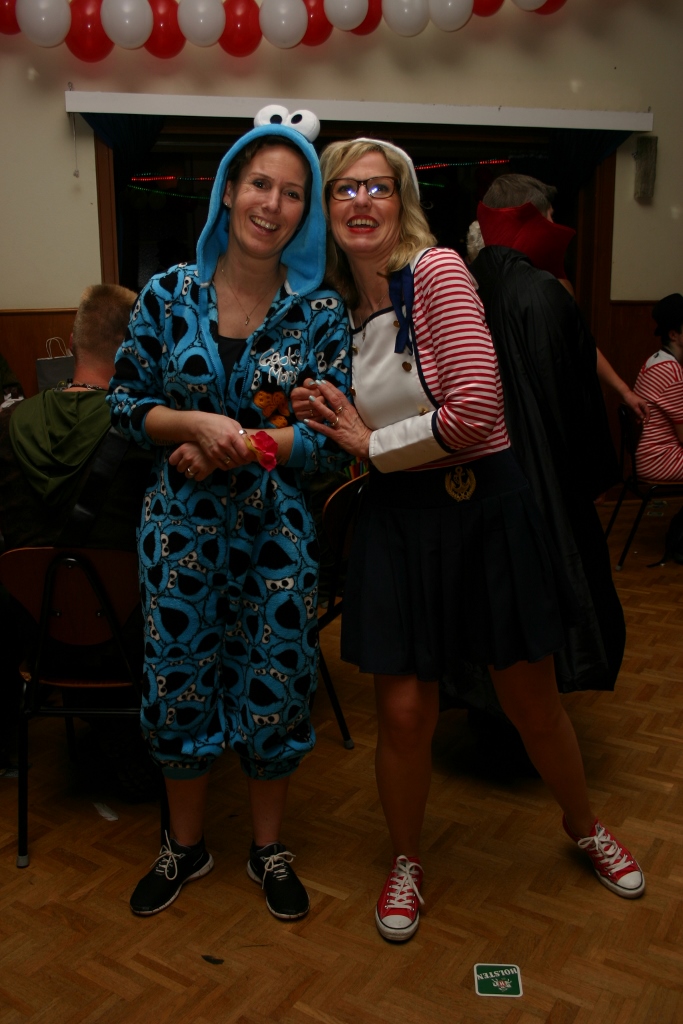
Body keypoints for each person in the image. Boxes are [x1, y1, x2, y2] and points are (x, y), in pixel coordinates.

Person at [295, 138, 644, 944]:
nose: (360, 202)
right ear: (326, 209)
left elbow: (477, 411)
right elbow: (339, 425)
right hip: (396, 520)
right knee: (404, 714)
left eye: (378, 188)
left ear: (402, 202)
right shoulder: (328, 310)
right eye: (344, 188)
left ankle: (583, 824)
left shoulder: (438, 271)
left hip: (483, 505)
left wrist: (369, 446)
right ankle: (406, 861)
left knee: (530, 702)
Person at [107, 108, 351, 921]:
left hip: (277, 541)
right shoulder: (167, 294)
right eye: (258, 184)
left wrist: (237, 445)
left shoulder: (318, 315)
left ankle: (267, 847)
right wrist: (190, 424)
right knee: (177, 684)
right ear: (228, 190)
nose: (271, 204)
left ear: (304, 211)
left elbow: (328, 444)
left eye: (291, 192)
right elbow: (124, 405)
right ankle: (185, 846)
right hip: (177, 535)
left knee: (277, 685)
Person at [471, 175, 628, 695]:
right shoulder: (541, 292)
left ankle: (496, 706)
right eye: (551, 219)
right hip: (541, 482)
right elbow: (570, 398)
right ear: (531, 219)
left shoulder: (465, 286)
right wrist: (591, 476)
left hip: (478, 481)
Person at [0, 283, 154, 794]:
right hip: (129, 641)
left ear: (71, 343)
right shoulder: (146, 431)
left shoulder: (9, 426)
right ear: (136, 350)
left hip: (37, 639)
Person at [633, 292, 683, 480]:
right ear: (673, 335)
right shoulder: (672, 371)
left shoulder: (656, 360)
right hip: (660, 460)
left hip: (648, 456)